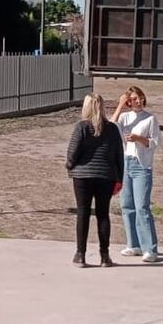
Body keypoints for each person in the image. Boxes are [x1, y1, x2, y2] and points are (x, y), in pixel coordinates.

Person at [65, 93, 125, 268]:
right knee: (103, 214)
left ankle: (80, 254)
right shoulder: (112, 129)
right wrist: (119, 178)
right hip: (106, 175)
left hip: (82, 175)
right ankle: (104, 256)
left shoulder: (82, 127)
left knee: (83, 213)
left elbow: (72, 152)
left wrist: (70, 166)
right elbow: (119, 155)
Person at [111, 85, 162, 263]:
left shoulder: (150, 118)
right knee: (126, 204)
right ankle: (134, 245)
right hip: (126, 163)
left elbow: (155, 142)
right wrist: (120, 105)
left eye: (139, 97)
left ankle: (150, 248)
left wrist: (138, 138)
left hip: (142, 165)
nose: (138, 101)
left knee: (142, 207)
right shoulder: (125, 117)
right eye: (133, 99)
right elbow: (111, 126)